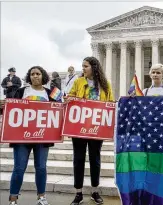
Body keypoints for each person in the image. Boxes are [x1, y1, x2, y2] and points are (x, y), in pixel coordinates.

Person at [67, 56, 114, 205]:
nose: (83, 69)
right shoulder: (78, 81)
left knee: (95, 160)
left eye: (85, 66)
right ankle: (78, 192)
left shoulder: (105, 84)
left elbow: (111, 102)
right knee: (78, 159)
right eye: (82, 66)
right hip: (79, 127)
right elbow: (71, 96)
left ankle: (95, 190)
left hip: (96, 128)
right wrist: (69, 99)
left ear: (94, 67)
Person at [8, 66, 56, 205]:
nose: (35, 76)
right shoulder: (21, 91)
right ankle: (13, 198)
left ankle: (41, 197)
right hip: (22, 138)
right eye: (32, 74)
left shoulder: (51, 92)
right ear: (29, 77)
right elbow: (10, 109)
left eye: (38, 73)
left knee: (41, 167)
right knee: (19, 168)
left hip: (43, 137)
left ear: (43, 76)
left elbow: (62, 107)